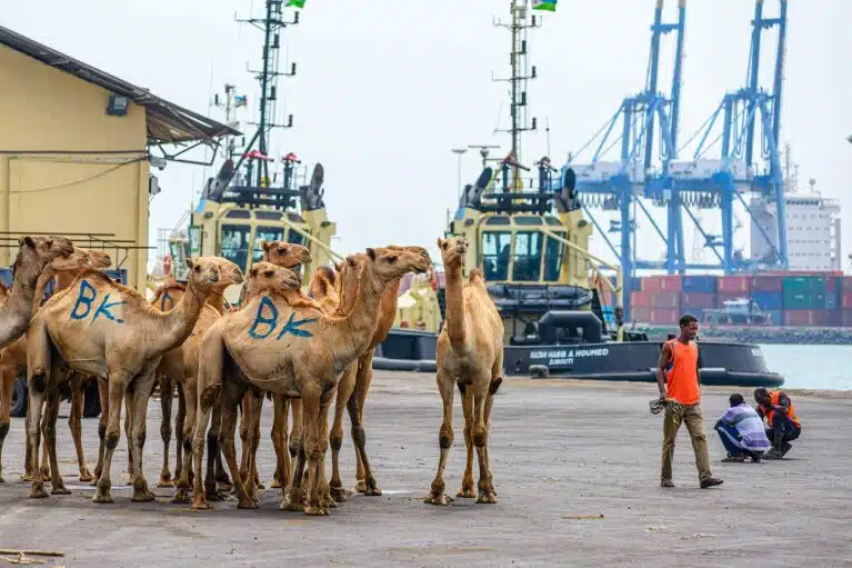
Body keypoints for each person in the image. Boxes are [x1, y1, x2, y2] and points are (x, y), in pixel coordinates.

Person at [656, 314, 723, 489]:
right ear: (682, 327)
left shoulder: (695, 347)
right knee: (669, 441)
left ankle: (705, 477)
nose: (694, 331)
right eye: (692, 328)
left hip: (693, 403)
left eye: (696, 328)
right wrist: (663, 392)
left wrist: (698, 390)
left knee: (700, 438)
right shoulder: (670, 346)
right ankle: (666, 478)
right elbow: (660, 369)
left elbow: (694, 371)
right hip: (674, 403)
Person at [714, 394, 771, 462]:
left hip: (750, 446)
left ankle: (736, 455)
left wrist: (716, 427)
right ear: (743, 401)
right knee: (743, 427)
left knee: (721, 426)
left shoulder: (732, 410)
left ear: (731, 403)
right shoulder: (750, 408)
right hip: (762, 447)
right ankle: (755, 455)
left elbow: (721, 421)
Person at [754, 388, 801, 459]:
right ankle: (783, 446)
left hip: (792, 429)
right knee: (765, 433)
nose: (763, 404)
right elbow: (757, 422)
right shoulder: (761, 407)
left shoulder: (780, 396)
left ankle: (777, 450)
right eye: (760, 402)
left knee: (777, 415)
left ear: (768, 395)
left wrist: (772, 406)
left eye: (763, 401)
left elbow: (785, 410)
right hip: (778, 430)